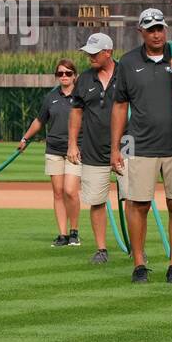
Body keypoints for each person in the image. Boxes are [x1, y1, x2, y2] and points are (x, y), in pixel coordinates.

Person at [110, 8, 172, 284]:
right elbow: (119, 105)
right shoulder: (127, 63)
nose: (157, 33)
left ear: (166, 29)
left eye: (160, 28)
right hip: (140, 145)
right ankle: (139, 264)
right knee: (137, 204)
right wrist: (115, 148)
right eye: (150, 29)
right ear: (141, 32)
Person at [67, 33, 119, 264]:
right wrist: (72, 144)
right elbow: (76, 111)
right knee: (96, 200)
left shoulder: (126, 74)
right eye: (88, 53)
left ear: (108, 52)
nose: (90, 57)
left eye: (94, 53)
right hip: (93, 147)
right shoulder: (85, 79)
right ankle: (101, 249)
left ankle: (136, 249)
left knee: (135, 200)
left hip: (126, 146)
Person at [18, 59, 82, 246]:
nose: (64, 76)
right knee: (58, 193)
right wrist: (25, 139)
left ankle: (74, 232)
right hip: (54, 149)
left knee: (70, 191)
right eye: (60, 73)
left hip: (75, 149)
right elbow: (40, 121)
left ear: (74, 76)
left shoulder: (81, 96)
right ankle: (62, 234)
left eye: (68, 73)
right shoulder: (51, 97)